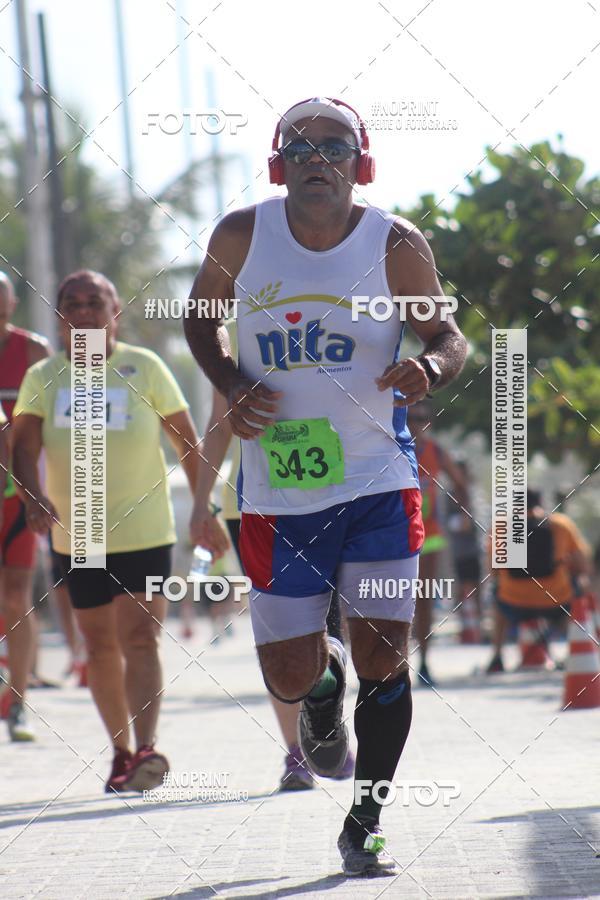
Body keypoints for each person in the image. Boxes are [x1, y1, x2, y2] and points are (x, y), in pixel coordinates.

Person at [184, 97, 467, 876]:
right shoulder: (243, 234)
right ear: (280, 164)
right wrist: (230, 379)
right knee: (288, 671)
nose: (318, 159)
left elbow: (447, 335)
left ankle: (366, 818)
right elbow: (198, 319)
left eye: (335, 146)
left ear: (359, 161)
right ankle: (320, 683)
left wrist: (431, 366)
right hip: (277, 491)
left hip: (380, 478)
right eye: (301, 147)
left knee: (389, 653)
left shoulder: (394, 243)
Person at [11, 269, 229, 792]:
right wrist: (32, 495)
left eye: (95, 301)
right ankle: (121, 752)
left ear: (116, 314)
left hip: (146, 529)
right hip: (78, 532)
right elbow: (22, 448)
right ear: (60, 318)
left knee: (140, 636)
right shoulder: (45, 376)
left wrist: (206, 511)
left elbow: (187, 444)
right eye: (72, 302)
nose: (84, 310)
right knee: (99, 647)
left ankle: (147, 745)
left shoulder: (145, 367)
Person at [190, 336, 355, 792]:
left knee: (333, 633)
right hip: (255, 506)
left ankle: (324, 723)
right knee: (281, 635)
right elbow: (219, 423)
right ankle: (298, 751)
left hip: (338, 496)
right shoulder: (228, 334)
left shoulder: (335, 310)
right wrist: (201, 502)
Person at [0, 272, 50, 740]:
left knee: (16, 596)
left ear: (12, 302)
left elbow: (63, 416)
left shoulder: (34, 352)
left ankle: (18, 702)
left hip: (17, 498)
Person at [487, 489, 592, 673]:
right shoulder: (560, 524)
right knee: (579, 587)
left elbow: (492, 572)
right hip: (556, 601)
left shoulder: (501, 526)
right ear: (541, 503)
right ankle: (575, 651)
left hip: (513, 602)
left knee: (497, 595)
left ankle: (497, 657)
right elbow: (584, 565)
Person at [407, 401, 468, 684]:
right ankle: (393, 662)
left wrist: (464, 515)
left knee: (424, 598)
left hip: (429, 536)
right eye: (410, 417)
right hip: (395, 536)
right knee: (392, 598)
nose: (416, 423)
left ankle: (424, 661)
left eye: (421, 418)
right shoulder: (393, 447)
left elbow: (461, 483)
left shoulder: (436, 451)